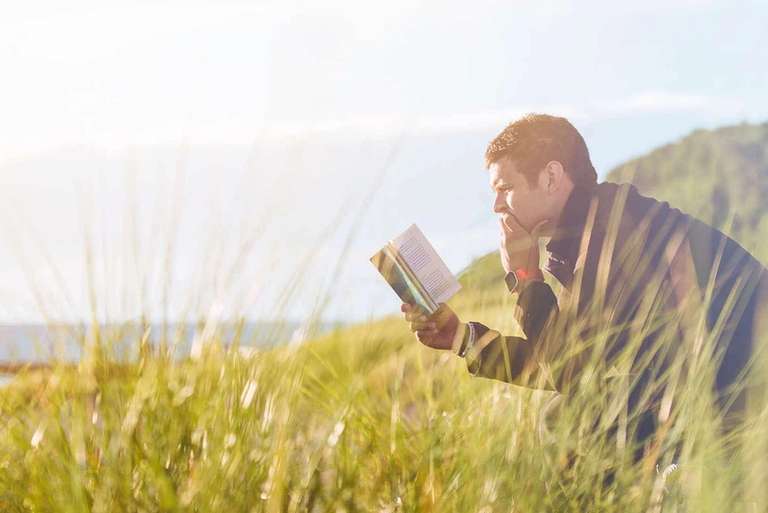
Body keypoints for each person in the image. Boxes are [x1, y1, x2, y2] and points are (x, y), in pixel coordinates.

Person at [401, 114, 768, 457]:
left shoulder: (613, 229)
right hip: (713, 389)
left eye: (505, 188)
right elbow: (572, 362)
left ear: (550, 177)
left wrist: (526, 280)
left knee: (566, 417)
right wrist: (460, 338)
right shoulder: (585, 236)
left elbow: (569, 371)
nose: (496, 205)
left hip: (741, 395)